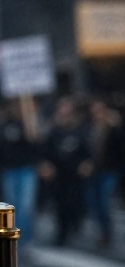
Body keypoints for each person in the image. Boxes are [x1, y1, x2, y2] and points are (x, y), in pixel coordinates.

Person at [39, 97, 92, 246]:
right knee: (60, 204)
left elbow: (88, 150)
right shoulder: (53, 130)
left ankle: (74, 225)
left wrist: (87, 163)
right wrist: (45, 165)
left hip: (75, 174)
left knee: (74, 203)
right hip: (58, 174)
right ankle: (61, 233)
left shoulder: (80, 129)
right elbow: (45, 151)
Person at [0, 99, 40, 245]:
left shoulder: (28, 123)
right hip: (9, 170)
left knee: (26, 205)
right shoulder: (3, 125)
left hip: (26, 169)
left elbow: (34, 139)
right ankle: (14, 236)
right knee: (12, 204)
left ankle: (26, 237)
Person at [86, 98, 123, 247]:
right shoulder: (89, 127)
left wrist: (116, 126)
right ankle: (101, 230)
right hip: (93, 171)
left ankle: (106, 232)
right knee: (93, 203)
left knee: (103, 202)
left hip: (109, 170)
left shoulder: (113, 127)